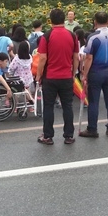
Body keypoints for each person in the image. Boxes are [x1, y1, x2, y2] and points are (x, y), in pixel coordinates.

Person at [35, 8, 79, 145]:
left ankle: (48, 136)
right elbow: (76, 57)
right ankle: (68, 135)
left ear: (51, 20)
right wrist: (73, 74)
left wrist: (38, 76)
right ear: (64, 19)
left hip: (50, 77)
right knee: (67, 106)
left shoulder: (46, 36)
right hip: (66, 76)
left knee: (48, 106)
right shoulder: (72, 36)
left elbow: (42, 58)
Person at [80, 11, 108, 138]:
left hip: (96, 71)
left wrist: (84, 75)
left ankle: (92, 129)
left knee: (93, 102)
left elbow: (88, 58)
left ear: (95, 22)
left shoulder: (93, 37)